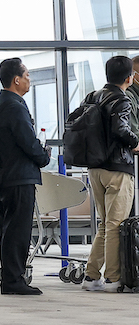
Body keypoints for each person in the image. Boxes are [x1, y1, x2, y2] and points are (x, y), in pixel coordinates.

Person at [0, 58, 51, 296]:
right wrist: (43, 156)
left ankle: (10, 277)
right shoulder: (15, 105)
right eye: (27, 76)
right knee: (18, 230)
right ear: (16, 79)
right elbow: (27, 141)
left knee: (8, 229)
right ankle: (14, 281)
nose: (29, 80)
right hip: (19, 177)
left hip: (3, 176)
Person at [81, 56, 138, 292]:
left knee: (106, 224)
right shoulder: (122, 99)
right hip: (117, 168)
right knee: (116, 224)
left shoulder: (93, 96)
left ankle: (91, 276)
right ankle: (114, 279)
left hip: (95, 168)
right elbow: (121, 129)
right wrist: (135, 143)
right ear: (129, 77)